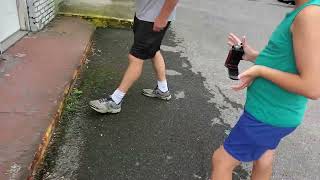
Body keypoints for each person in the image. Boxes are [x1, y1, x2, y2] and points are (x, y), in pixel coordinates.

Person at [211, 0, 320, 179]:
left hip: (269, 116)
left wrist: (261, 70)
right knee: (263, 158)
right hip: (271, 114)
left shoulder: (310, 14)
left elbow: (312, 87)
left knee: (222, 161)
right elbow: (284, 60)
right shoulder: (302, 10)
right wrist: (252, 55)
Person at [89, 0, 179, 114]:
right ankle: (163, 89)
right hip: (145, 14)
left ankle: (115, 101)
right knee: (153, 50)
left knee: (136, 57)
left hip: (154, 18)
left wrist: (162, 17)